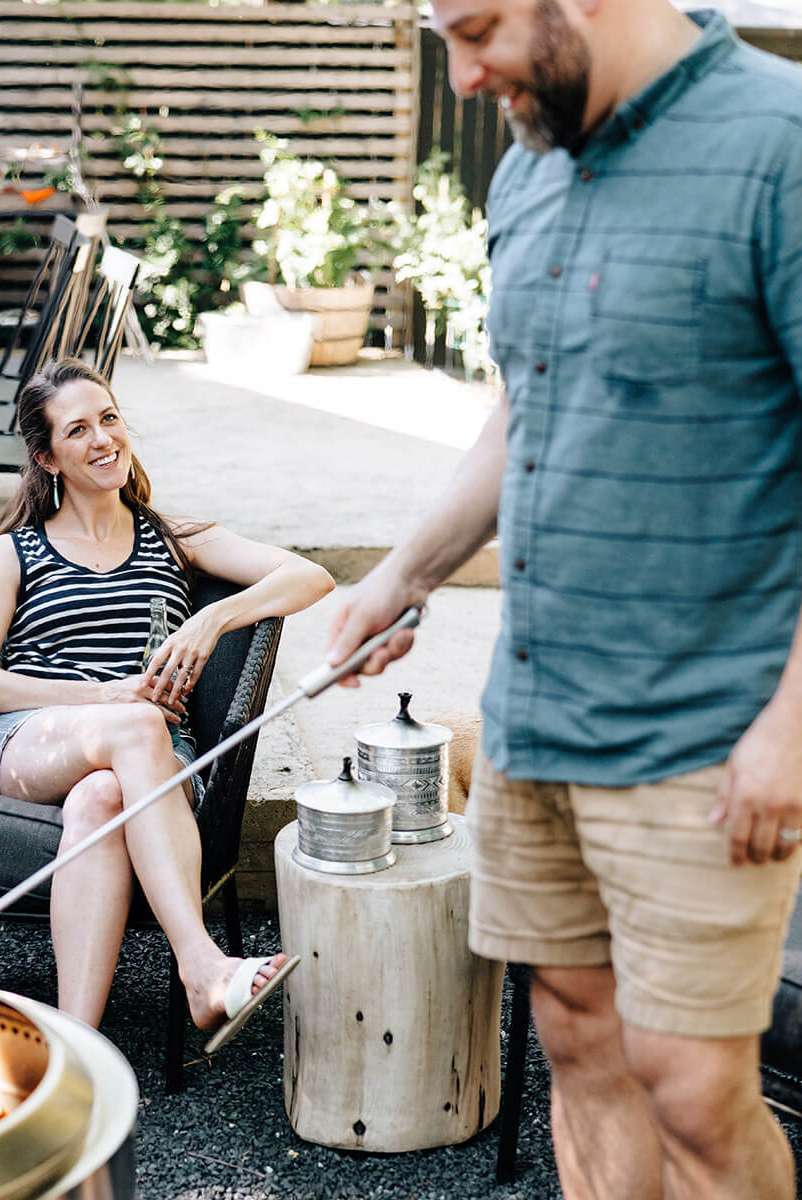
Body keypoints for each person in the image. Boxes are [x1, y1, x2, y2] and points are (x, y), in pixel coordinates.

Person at [327, 2, 802, 1197]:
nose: (460, 74)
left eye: (476, 28)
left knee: (694, 1093)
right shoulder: (530, 168)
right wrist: (401, 573)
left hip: (705, 732)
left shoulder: (780, 145)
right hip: (536, 716)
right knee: (576, 1038)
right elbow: (526, 406)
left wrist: (793, 726)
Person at [0, 357, 334, 1043]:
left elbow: (311, 577)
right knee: (136, 724)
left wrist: (211, 619)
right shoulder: (14, 553)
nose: (103, 439)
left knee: (102, 796)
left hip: (154, 757)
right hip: (35, 740)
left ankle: (75, 1045)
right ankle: (201, 965)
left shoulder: (175, 538)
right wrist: (106, 695)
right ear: (47, 458)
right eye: (78, 430)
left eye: (110, 418)